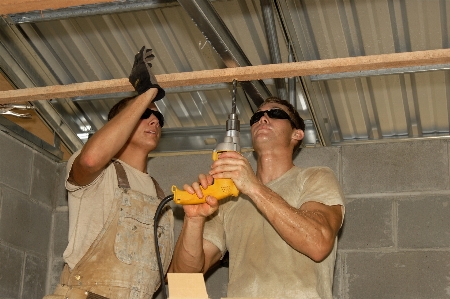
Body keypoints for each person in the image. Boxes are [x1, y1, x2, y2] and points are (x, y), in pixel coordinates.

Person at [170, 97, 345, 299]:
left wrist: (252, 186)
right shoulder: (228, 199)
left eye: (275, 113)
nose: (263, 118)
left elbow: (318, 244)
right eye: (257, 116)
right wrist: (194, 219)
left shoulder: (315, 177)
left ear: (297, 133)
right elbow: (184, 278)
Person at [44, 46, 173, 299]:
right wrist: (146, 95)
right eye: (145, 113)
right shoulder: (101, 173)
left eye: (159, 118)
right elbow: (91, 160)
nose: (155, 121)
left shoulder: (162, 198)